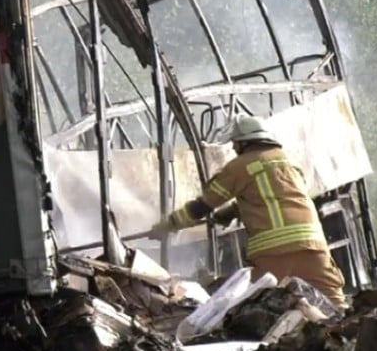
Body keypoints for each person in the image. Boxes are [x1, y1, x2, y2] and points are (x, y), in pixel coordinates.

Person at [148, 115, 347, 308]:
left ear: (244, 143)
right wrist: (235, 211)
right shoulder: (289, 163)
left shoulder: (239, 167)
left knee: (265, 309)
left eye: (235, 143)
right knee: (337, 305)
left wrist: (169, 225)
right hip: (313, 248)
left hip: (273, 252)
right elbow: (278, 199)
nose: (234, 148)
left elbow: (203, 206)